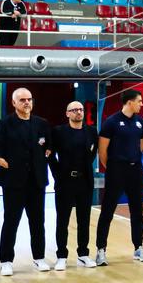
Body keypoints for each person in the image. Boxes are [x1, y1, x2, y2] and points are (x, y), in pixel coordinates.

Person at [0, 87, 53, 275]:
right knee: (11, 221)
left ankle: (39, 258)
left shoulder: (42, 123)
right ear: (14, 103)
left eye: (29, 99)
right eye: (22, 100)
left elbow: (48, 146)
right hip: (13, 181)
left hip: (36, 180)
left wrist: (47, 152)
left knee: (37, 221)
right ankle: (6, 261)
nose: (27, 102)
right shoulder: (5, 123)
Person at [95, 89, 143, 265]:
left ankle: (138, 247)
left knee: (137, 211)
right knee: (107, 211)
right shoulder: (111, 122)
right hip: (116, 170)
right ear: (129, 102)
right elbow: (102, 151)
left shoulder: (140, 122)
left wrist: (132, 160)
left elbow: (140, 146)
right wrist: (114, 165)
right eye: (139, 101)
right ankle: (101, 250)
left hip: (135, 171)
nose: (141, 104)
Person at [49, 101, 98, 270]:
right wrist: (58, 174)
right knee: (62, 220)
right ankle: (61, 255)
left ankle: (83, 254)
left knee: (84, 220)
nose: (79, 112)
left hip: (84, 181)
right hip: (65, 182)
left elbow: (92, 153)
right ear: (67, 113)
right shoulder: (58, 132)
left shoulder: (91, 131)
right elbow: (50, 155)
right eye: (74, 110)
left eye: (81, 110)